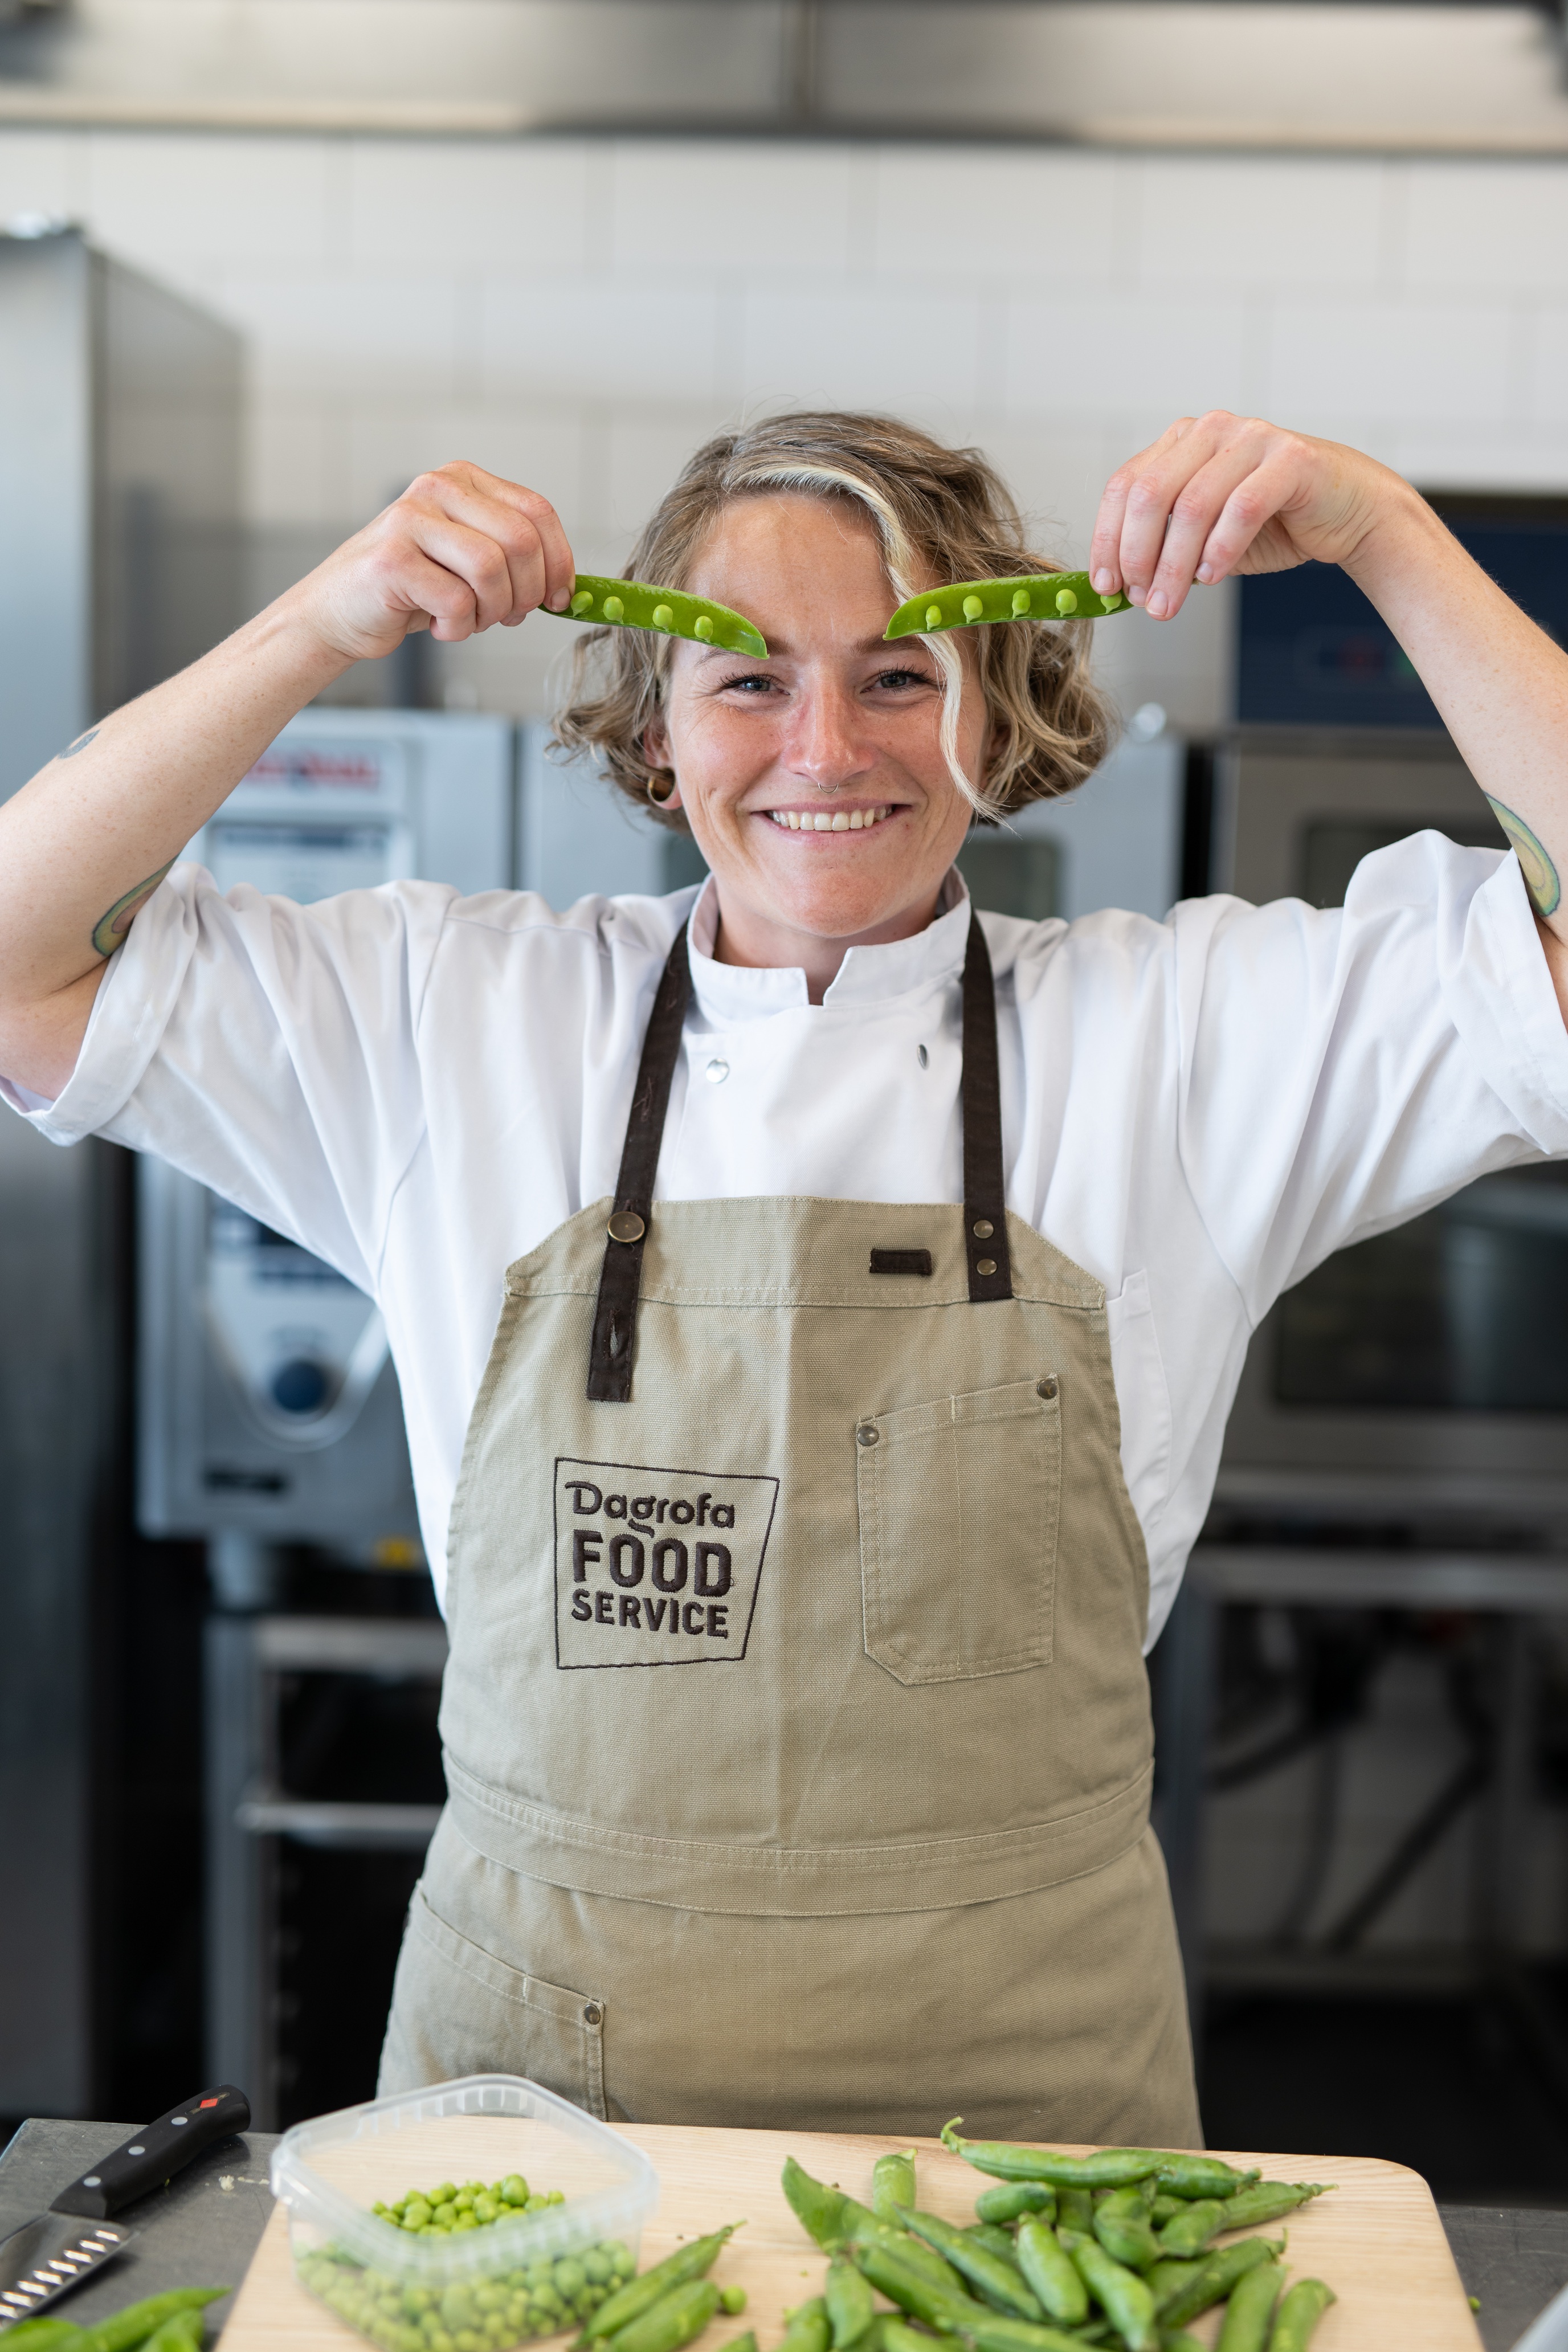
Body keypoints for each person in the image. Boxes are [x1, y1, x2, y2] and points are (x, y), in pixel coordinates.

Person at [2, 408, 1566, 2145]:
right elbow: (16, 961)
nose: (826, 745)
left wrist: (1383, 534)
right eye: (748, 678)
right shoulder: (458, 1020)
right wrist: (321, 622)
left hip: (1029, 2100)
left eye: (899, 675)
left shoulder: (1182, 1040)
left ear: (998, 714)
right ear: (656, 730)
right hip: (546, 2096)